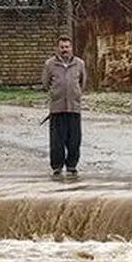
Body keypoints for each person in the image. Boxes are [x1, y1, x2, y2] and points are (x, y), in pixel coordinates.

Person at [41, 36, 87, 175]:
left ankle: (72, 165)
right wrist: (56, 94)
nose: (64, 50)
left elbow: (83, 82)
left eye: (67, 47)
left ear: (71, 48)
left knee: (74, 139)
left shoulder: (79, 63)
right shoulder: (50, 64)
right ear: (57, 48)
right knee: (57, 140)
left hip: (74, 107)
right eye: (62, 47)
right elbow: (45, 83)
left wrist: (76, 93)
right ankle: (57, 166)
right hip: (57, 107)